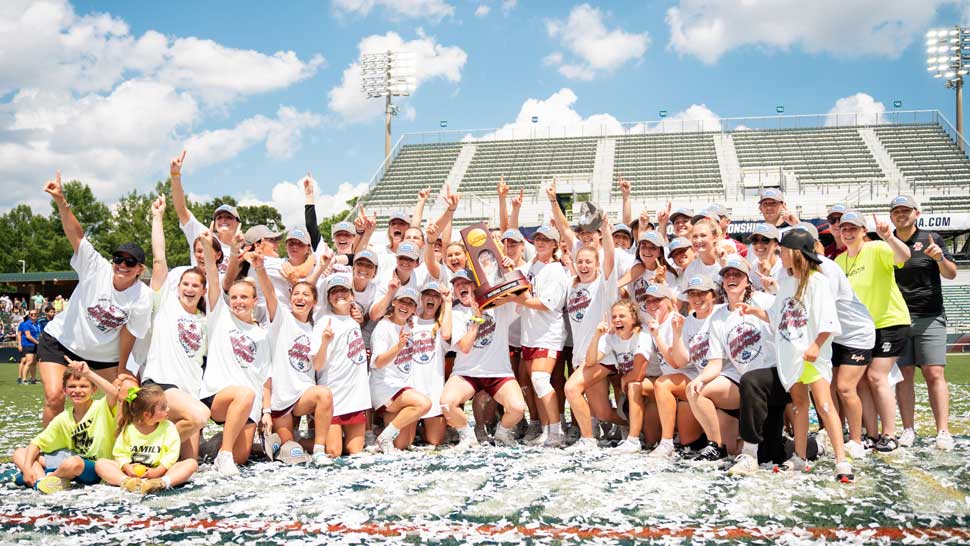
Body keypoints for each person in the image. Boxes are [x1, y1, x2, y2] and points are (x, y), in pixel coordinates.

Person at [36, 171, 153, 426]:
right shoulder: (95, 267)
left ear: (139, 269)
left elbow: (129, 333)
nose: (122, 265)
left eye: (130, 262)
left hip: (103, 357)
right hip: (62, 342)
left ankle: (113, 455)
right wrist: (61, 201)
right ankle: (48, 453)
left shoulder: (142, 296)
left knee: (126, 397)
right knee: (55, 396)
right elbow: (76, 236)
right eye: (118, 259)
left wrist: (122, 371)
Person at [738, 230, 853, 482]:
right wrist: (755, 311)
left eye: (784, 251)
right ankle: (799, 457)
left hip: (811, 356)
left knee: (824, 405)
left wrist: (816, 345)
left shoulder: (817, 281)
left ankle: (841, 460)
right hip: (791, 356)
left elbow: (827, 320)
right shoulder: (788, 282)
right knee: (800, 406)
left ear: (797, 253)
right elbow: (778, 316)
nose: (781, 255)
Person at [138, 195, 211, 461]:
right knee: (201, 415)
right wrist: (157, 217)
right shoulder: (166, 304)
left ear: (203, 291)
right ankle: (146, 447)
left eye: (195, 285)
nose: (189, 288)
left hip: (190, 391)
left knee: (190, 463)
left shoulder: (205, 319)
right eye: (185, 284)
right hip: (162, 384)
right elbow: (159, 260)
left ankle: (151, 451)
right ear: (177, 286)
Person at [248, 248, 335, 466]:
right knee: (291, 451)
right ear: (290, 297)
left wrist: (324, 342)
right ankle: (274, 442)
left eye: (306, 295)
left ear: (314, 302)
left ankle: (319, 450)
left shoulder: (314, 329)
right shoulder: (282, 317)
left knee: (324, 394)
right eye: (296, 294)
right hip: (279, 398)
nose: (300, 297)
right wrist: (259, 268)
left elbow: (317, 364)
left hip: (302, 395)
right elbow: (268, 292)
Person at [834, 210, 911, 452]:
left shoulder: (877, 248)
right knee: (862, 383)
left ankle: (890, 434)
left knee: (877, 377)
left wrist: (888, 237)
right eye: (844, 228)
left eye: (853, 228)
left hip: (889, 322)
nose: (847, 233)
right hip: (860, 331)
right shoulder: (839, 261)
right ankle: (872, 433)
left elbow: (904, 256)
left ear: (863, 231)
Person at [197, 231, 273, 476]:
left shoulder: (262, 333)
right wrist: (209, 248)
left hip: (248, 404)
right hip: (218, 395)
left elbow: (265, 376)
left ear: (254, 301)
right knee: (244, 393)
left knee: (242, 457)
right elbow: (211, 274)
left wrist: (266, 411)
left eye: (244, 298)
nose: (238, 301)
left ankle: (217, 447)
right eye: (234, 297)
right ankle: (224, 454)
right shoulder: (220, 316)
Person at [687, 258, 774, 461]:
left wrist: (774, 289)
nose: (732, 278)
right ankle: (716, 446)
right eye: (727, 275)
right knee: (696, 391)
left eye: (737, 274)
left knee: (770, 451)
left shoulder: (765, 300)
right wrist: (700, 379)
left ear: (747, 281)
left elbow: (786, 318)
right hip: (740, 379)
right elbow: (716, 362)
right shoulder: (718, 317)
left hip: (769, 376)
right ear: (723, 283)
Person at [888, 195, 957, 451]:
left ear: (917, 213)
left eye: (906, 210)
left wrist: (939, 258)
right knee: (904, 376)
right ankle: (908, 429)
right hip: (898, 318)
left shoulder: (932, 238)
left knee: (934, 373)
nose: (901, 214)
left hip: (929, 316)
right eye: (897, 211)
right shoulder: (886, 241)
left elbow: (951, 274)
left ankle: (943, 431)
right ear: (891, 216)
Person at [440, 270, 528, 449]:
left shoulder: (497, 305)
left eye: (466, 283)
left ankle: (502, 434)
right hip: (467, 373)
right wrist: (476, 320)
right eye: (457, 284)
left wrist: (509, 268)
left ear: (475, 286)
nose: (461, 287)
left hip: (498, 371)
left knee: (518, 408)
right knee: (447, 403)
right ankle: (467, 436)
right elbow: (464, 347)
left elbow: (521, 294)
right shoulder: (456, 313)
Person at [12, 360, 120, 493]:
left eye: (83, 386)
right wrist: (27, 468)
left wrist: (89, 373)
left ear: (94, 389)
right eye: (72, 386)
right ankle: (41, 481)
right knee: (20, 453)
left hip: (97, 467)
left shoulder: (102, 407)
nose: (77, 391)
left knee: (73, 463)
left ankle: (51, 477)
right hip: (71, 461)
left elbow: (114, 394)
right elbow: (37, 442)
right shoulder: (64, 418)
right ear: (64, 390)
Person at [650, 275, 720, 459]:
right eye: (692, 294)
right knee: (688, 440)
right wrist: (678, 334)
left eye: (702, 293)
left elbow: (676, 365)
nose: (697, 299)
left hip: (720, 376)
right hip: (697, 378)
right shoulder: (685, 321)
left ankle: (666, 442)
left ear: (713, 295)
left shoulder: (722, 313)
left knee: (662, 384)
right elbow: (681, 361)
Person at [517, 224, 570, 447]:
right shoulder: (532, 264)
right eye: (538, 238)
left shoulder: (557, 270)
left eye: (546, 240)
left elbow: (548, 304)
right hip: (529, 334)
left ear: (555, 244)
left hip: (548, 333)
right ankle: (547, 431)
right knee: (535, 384)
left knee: (540, 380)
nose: (540, 242)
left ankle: (557, 432)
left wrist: (515, 299)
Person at [95, 384, 197, 494]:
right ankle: (127, 482)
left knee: (191, 464)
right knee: (101, 464)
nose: (168, 409)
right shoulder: (129, 429)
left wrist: (158, 471)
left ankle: (161, 483)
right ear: (147, 414)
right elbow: (120, 453)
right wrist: (127, 466)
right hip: (132, 475)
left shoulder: (168, 427)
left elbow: (171, 454)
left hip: (160, 472)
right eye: (163, 408)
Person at [580, 300, 651, 454]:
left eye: (622, 316)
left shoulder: (642, 336)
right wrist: (597, 336)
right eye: (614, 317)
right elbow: (590, 361)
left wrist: (625, 380)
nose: (617, 319)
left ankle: (633, 440)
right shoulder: (612, 338)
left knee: (633, 385)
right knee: (610, 412)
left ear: (633, 318)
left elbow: (638, 374)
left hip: (651, 381)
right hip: (633, 386)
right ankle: (632, 432)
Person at [311, 275, 371, 458]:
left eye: (343, 290)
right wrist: (324, 342)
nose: (339, 295)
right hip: (334, 395)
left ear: (352, 295)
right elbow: (317, 364)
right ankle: (290, 442)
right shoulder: (324, 322)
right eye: (334, 292)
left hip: (355, 395)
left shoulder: (354, 321)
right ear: (329, 297)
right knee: (333, 452)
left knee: (355, 451)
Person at [369, 287, 434, 452]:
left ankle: (384, 432)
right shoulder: (383, 327)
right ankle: (383, 437)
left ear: (414, 309)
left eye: (410, 303)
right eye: (402, 301)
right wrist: (398, 347)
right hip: (385, 388)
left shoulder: (409, 326)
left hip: (401, 386)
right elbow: (377, 362)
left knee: (402, 444)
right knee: (424, 404)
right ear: (394, 302)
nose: (405, 306)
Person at [169, 150, 241, 274]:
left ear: (238, 223)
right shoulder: (203, 235)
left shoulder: (241, 251)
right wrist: (175, 175)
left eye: (228, 217)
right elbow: (181, 209)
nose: (223, 220)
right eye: (219, 217)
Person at [407, 281, 452, 446]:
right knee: (404, 444)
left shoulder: (441, 325)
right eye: (427, 295)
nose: (431, 298)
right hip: (411, 392)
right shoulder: (410, 321)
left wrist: (448, 303)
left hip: (433, 391)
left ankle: (422, 428)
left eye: (435, 296)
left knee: (434, 442)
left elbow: (447, 334)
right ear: (421, 298)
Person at [17, 309, 40, 385]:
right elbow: (28, 336)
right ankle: (23, 379)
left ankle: (33, 379)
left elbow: (39, 334)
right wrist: (38, 342)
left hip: (35, 345)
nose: (33, 316)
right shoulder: (26, 324)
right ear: (29, 315)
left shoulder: (37, 324)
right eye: (31, 314)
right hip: (28, 344)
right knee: (28, 362)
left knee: (34, 363)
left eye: (35, 314)